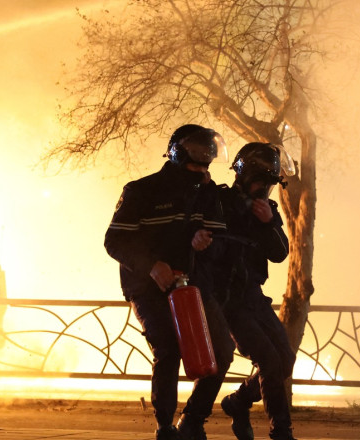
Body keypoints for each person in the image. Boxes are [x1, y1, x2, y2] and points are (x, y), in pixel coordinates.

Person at [105, 124, 236, 440]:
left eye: (207, 156)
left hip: (193, 285)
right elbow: (115, 241)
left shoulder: (209, 195)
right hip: (147, 287)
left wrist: (206, 243)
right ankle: (165, 426)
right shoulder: (141, 191)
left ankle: (193, 419)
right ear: (178, 153)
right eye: (196, 155)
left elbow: (221, 244)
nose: (202, 165)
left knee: (222, 350)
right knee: (167, 348)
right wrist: (152, 266)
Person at [215, 142, 297, 440]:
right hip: (227, 300)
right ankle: (281, 432)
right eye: (261, 182)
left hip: (253, 296)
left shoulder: (267, 212)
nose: (264, 190)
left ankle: (238, 401)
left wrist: (267, 223)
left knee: (285, 360)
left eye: (269, 185)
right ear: (245, 175)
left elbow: (280, 253)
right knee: (269, 361)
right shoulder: (219, 203)